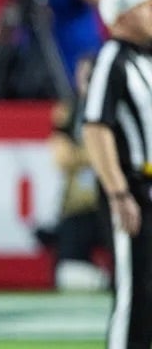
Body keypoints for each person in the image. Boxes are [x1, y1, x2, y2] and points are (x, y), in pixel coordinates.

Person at [81, 0, 152, 349]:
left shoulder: (145, 61)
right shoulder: (114, 57)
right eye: (147, 5)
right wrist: (118, 192)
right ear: (124, 15)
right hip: (135, 190)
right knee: (132, 294)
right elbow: (95, 127)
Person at [44, 55, 111, 291]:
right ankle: (103, 282)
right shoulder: (69, 111)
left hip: (113, 201)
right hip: (78, 205)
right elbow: (60, 157)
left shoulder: (115, 105)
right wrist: (97, 153)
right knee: (69, 274)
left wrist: (83, 154)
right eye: (82, 74)